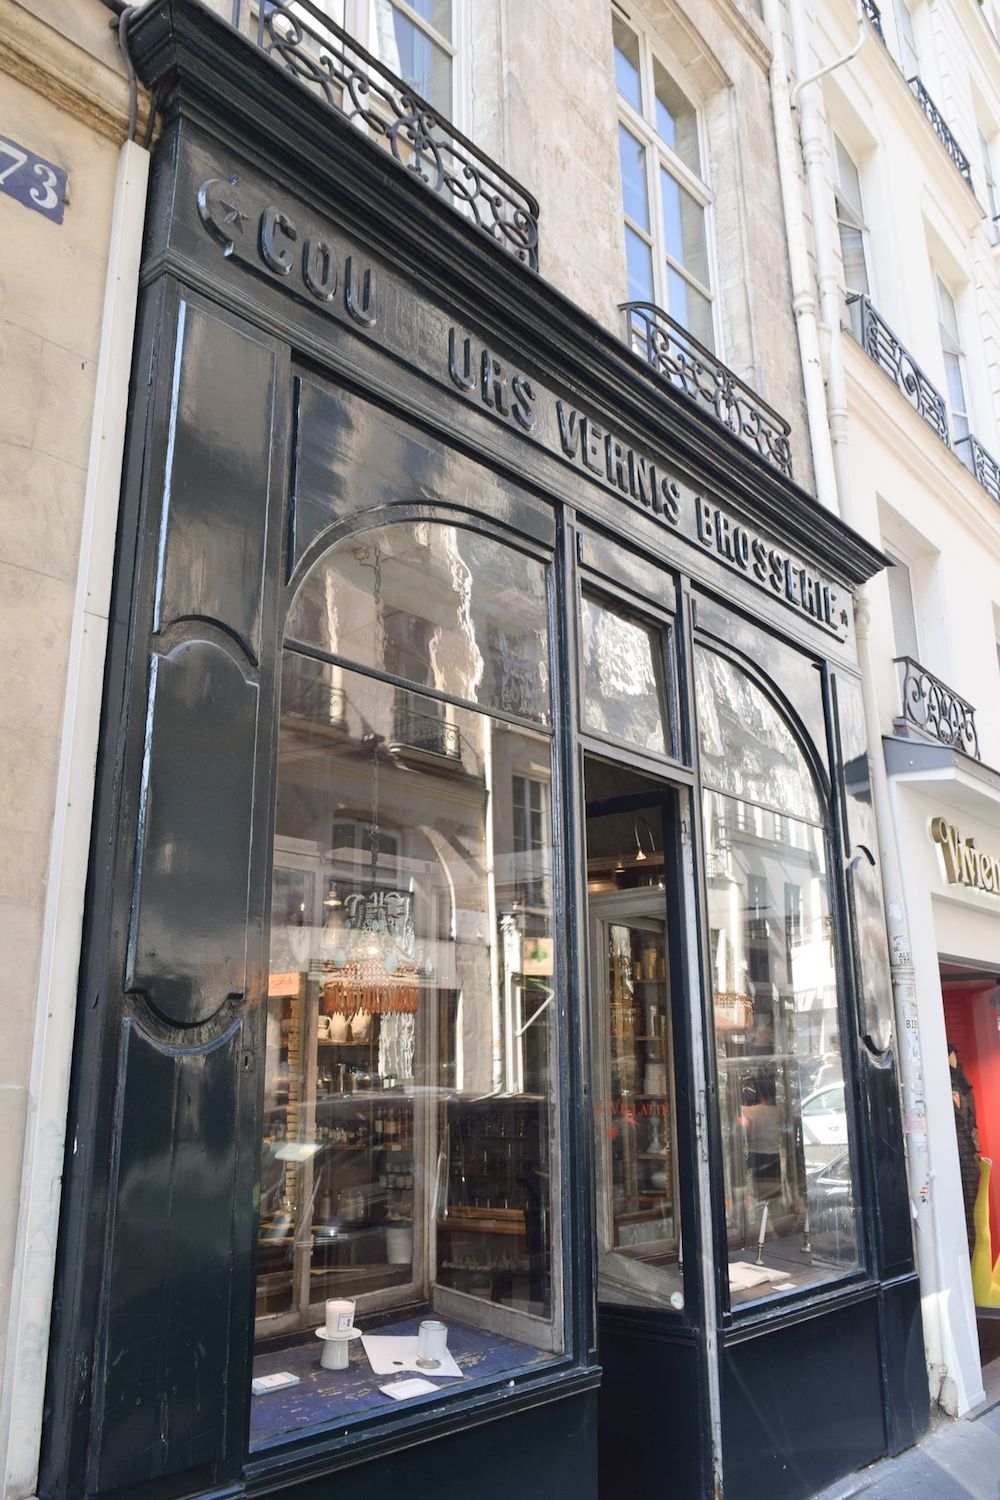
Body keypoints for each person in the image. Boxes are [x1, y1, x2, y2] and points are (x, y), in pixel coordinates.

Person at [949, 1042, 981, 1257]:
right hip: (955, 1158)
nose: (953, 1060)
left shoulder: (962, 1084)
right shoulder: (944, 1085)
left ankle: (970, 1269)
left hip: (968, 1157)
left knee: (969, 1217)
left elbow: (971, 1123)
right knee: (958, 1216)